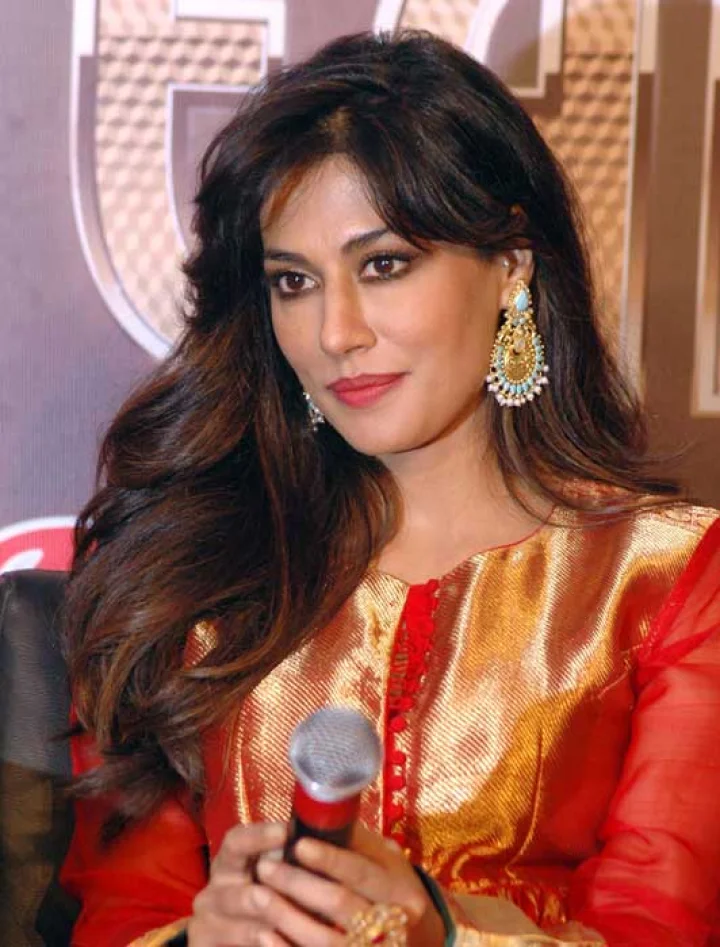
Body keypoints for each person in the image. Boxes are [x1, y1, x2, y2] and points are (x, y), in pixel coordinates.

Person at [59, 28, 720, 947]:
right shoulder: (191, 575)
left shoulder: (665, 579)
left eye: (383, 265)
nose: (336, 331)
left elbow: (662, 925)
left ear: (511, 265)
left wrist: (438, 933)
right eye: (294, 281)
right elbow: (121, 915)